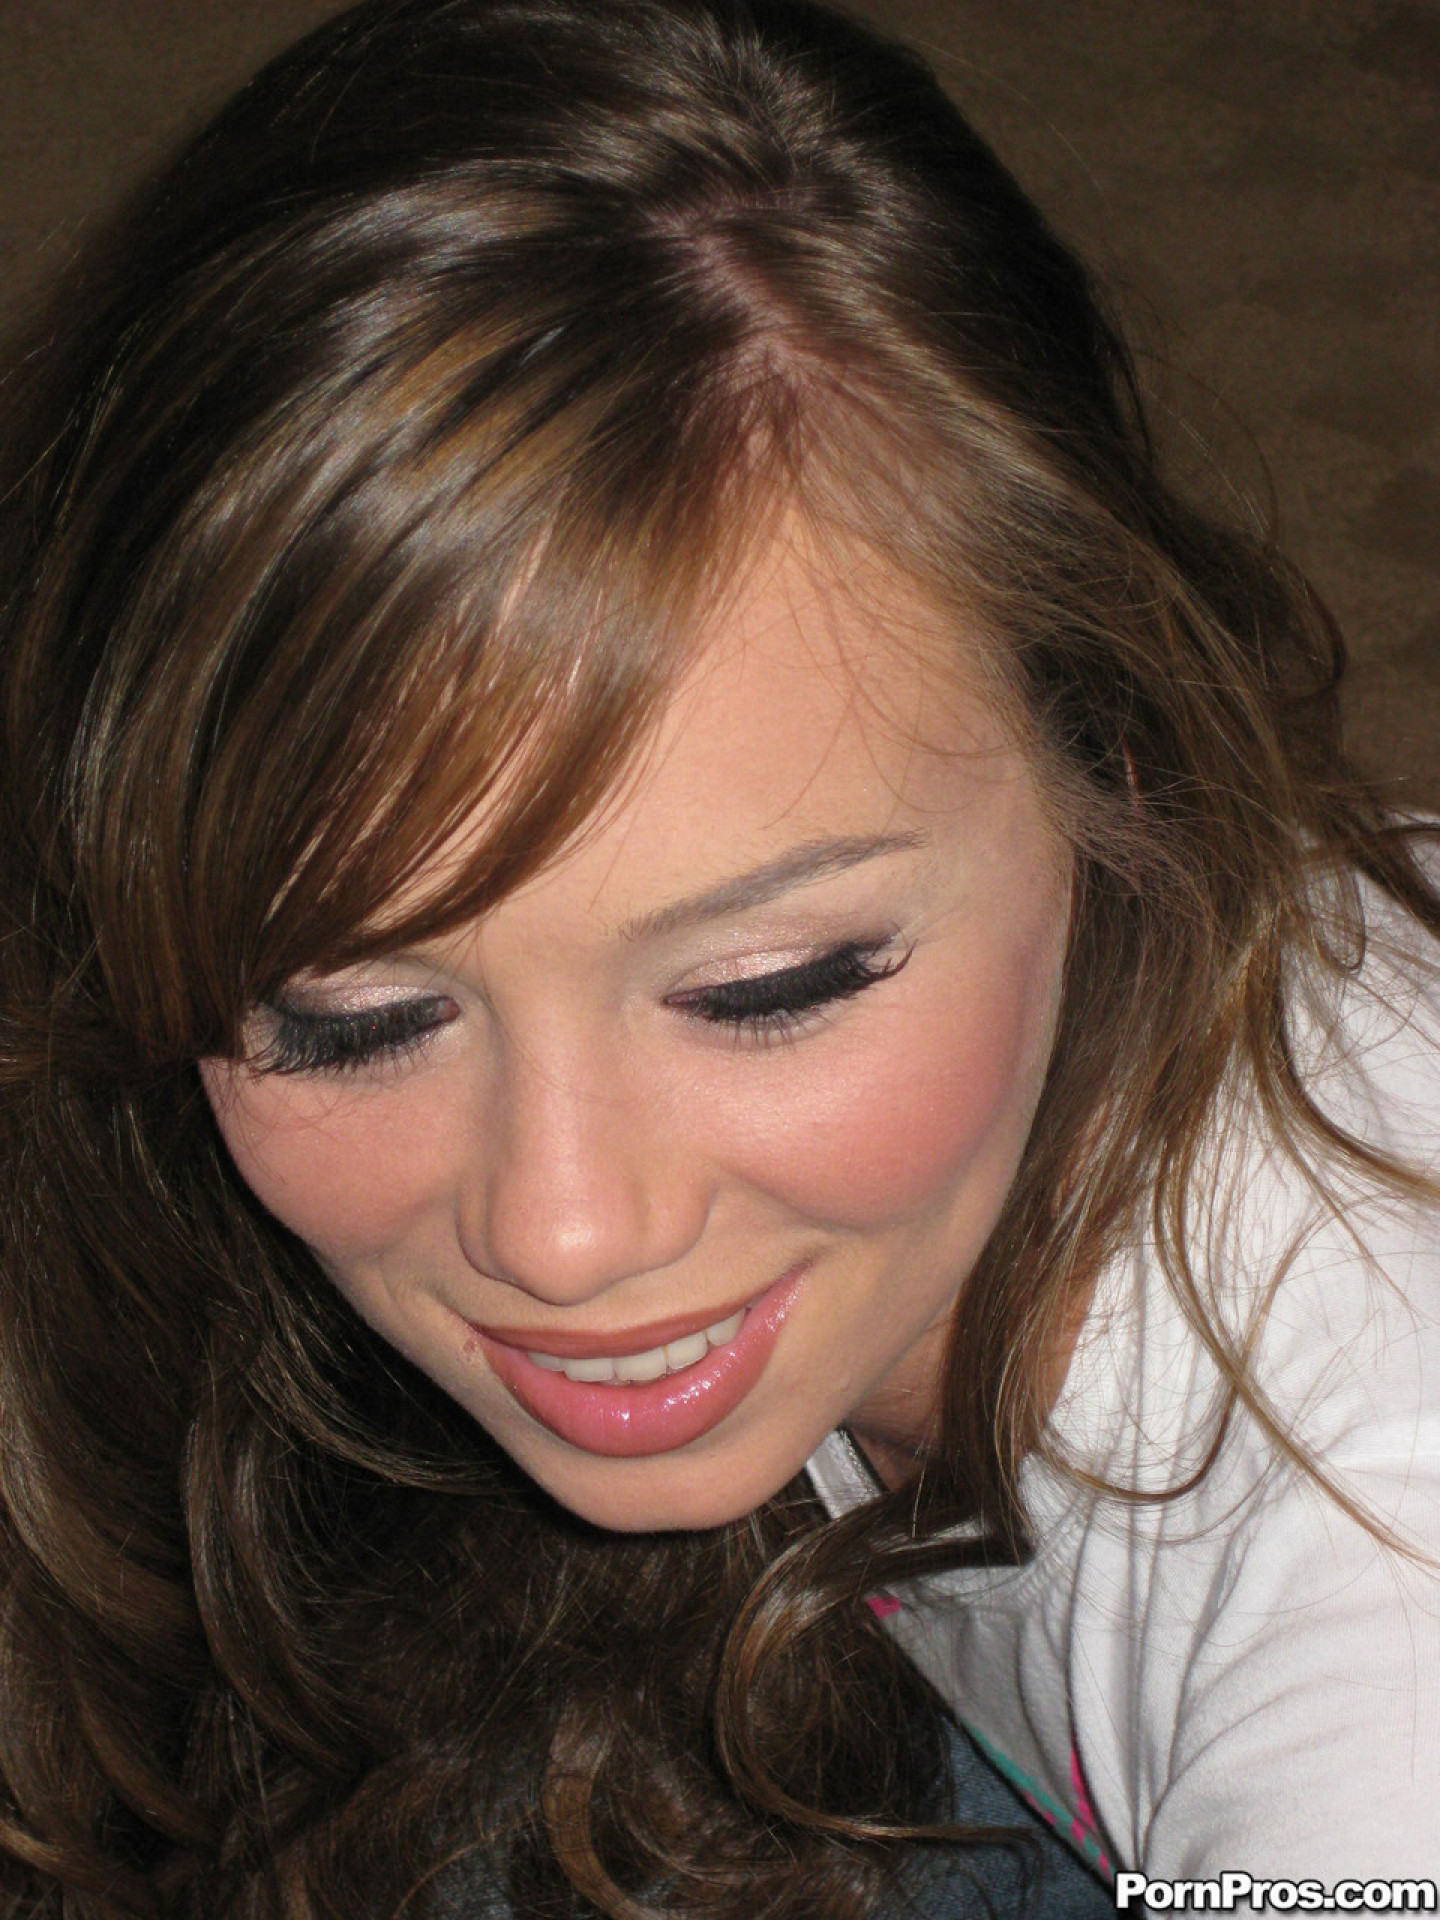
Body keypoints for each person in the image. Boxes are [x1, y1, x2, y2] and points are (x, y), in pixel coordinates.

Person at [0, 0, 1436, 1915]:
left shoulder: (1377, 1617)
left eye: (771, 987)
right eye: (353, 1019)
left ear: (1122, 777)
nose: (564, 1234)